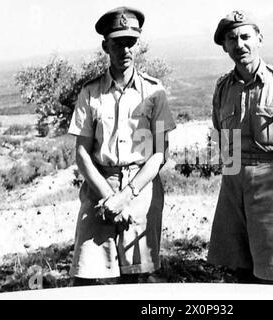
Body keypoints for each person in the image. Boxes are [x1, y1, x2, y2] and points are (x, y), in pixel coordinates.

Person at [68, 6, 176, 286]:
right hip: (99, 187)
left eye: (131, 43)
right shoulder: (90, 92)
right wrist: (109, 197)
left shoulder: (154, 91)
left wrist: (126, 196)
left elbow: (159, 154)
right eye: (118, 43)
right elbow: (82, 153)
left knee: (138, 275)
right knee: (87, 273)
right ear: (106, 46)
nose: (125, 50)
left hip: (140, 187)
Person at [207, 10, 273, 285]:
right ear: (225, 47)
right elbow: (221, 133)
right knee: (237, 268)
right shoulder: (222, 87)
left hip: (272, 181)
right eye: (232, 39)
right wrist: (233, 171)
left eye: (245, 36)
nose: (239, 44)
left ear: (259, 38)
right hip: (233, 181)